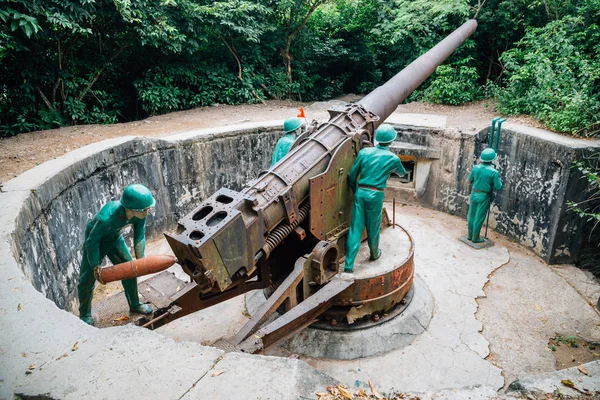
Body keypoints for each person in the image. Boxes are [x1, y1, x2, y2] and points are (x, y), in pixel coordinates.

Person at [78, 184, 155, 325]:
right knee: (86, 279)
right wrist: (95, 266)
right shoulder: (106, 218)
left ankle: (135, 304)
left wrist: (141, 261)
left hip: (114, 238)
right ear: (132, 209)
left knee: (130, 270)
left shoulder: (139, 214)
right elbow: (91, 243)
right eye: (146, 209)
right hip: (96, 242)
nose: (147, 212)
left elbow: (139, 236)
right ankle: (84, 314)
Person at [344, 124, 406, 272]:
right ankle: (373, 254)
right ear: (391, 140)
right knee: (373, 227)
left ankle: (348, 265)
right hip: (376, 194)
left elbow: (351, 176)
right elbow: (402, 174)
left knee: (355, 229)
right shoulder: (393, 159)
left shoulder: (364, 152)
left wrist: (356, 191)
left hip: (360, 192)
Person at [467, 148, 503, 243]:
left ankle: (470, 236)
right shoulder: (494, 172)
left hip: (474, 193)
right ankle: (476, 238)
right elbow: (498, 186)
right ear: (492, 159)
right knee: (479, 217)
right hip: (484, 196)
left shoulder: (475, 168)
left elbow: (470, 180)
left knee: (471, 215)